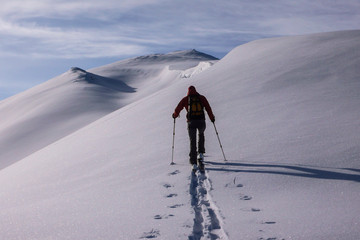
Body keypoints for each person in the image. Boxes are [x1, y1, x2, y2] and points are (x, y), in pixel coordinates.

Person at [172, 86, 215, 169]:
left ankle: (193, 161)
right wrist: (212, 118)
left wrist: (174, 115)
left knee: (192, 140)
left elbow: (178, 108)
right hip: (201, 121)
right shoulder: (202, 98)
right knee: (201, 135)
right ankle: (201, 154)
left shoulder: (185, 99)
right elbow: (208, 108)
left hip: (191, 122)